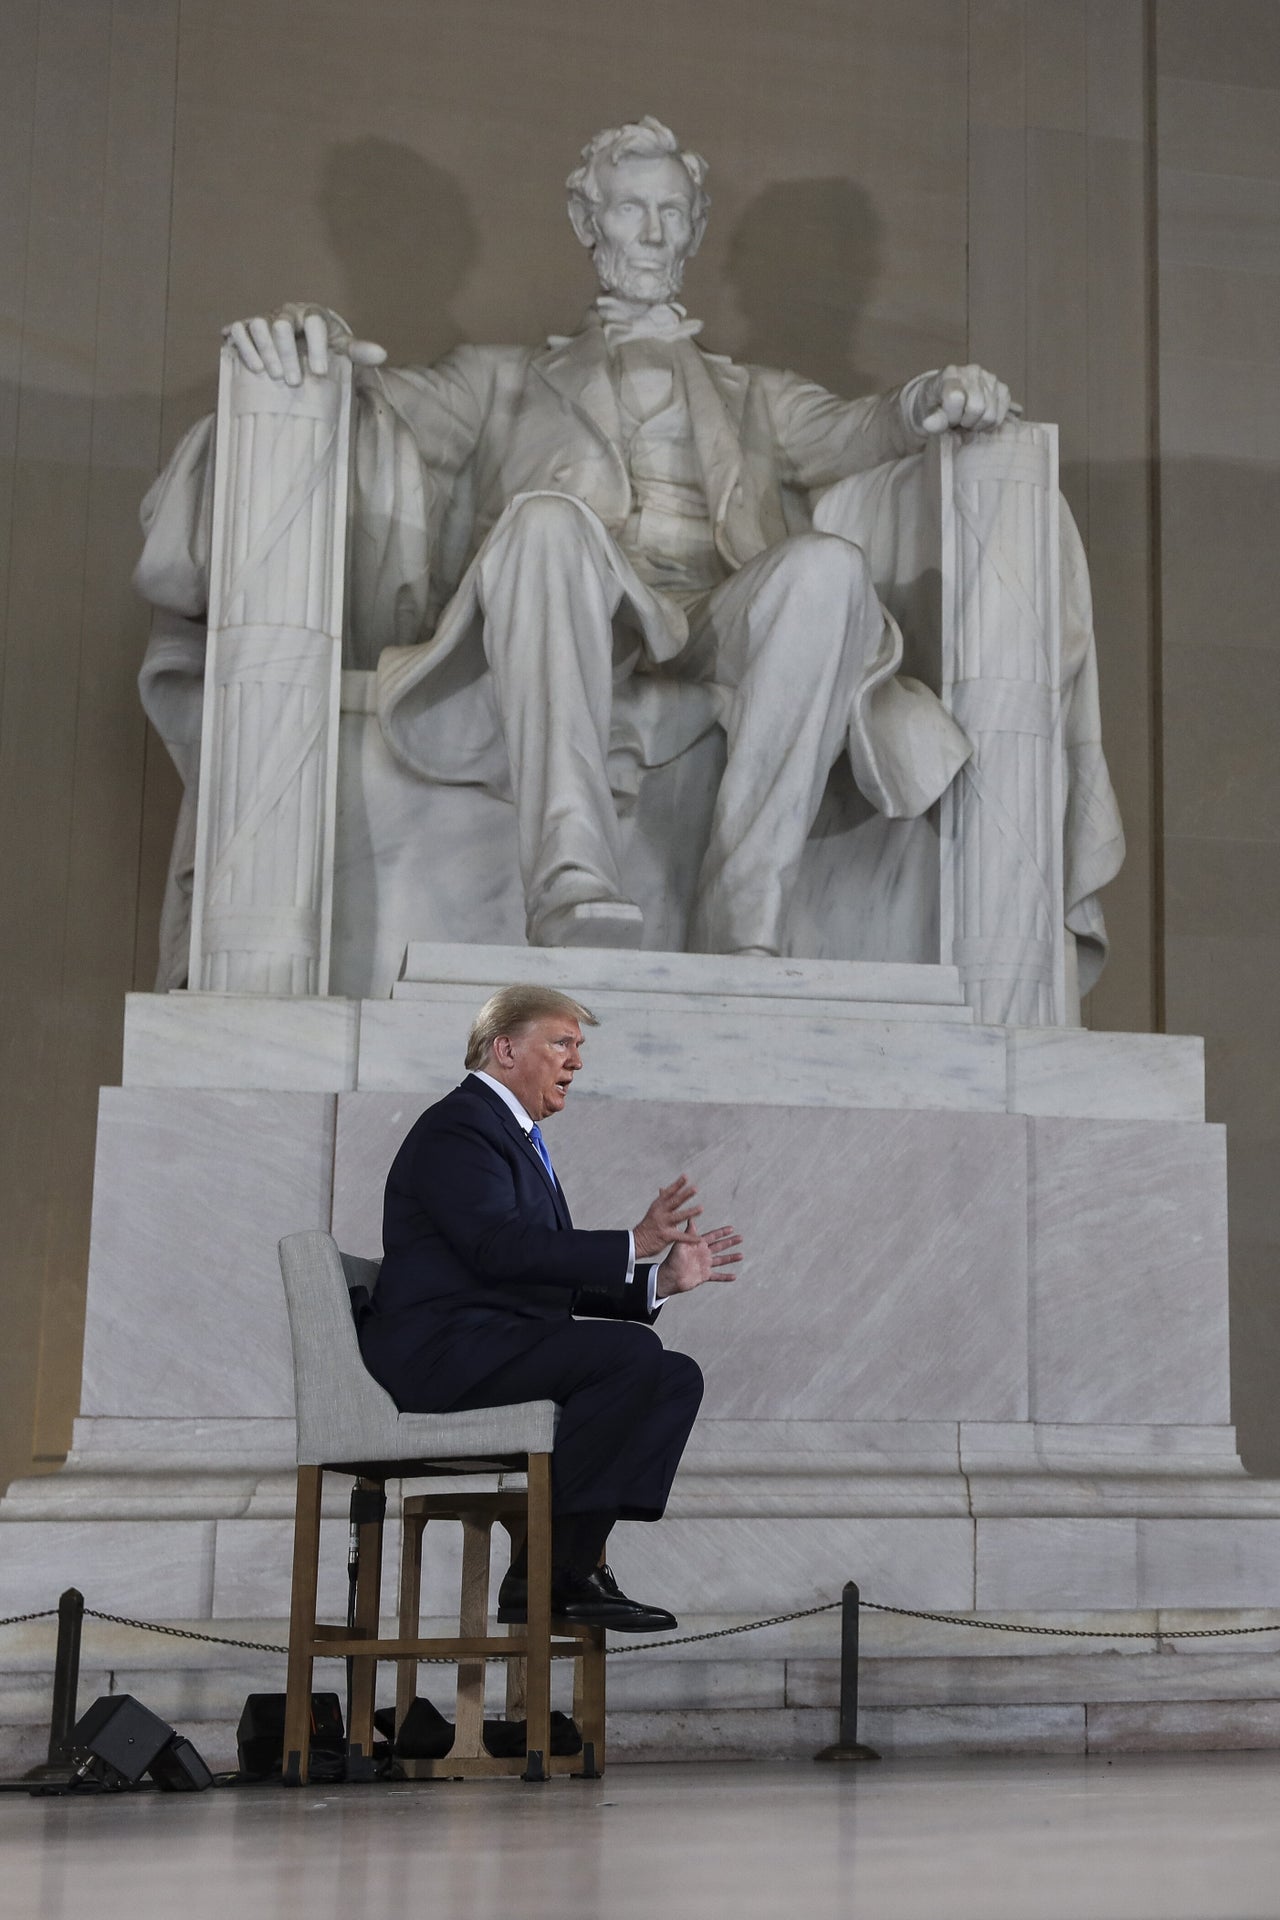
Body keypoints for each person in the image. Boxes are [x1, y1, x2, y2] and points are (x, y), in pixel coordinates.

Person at [358, 982, 741, 1631]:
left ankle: (568, 1565)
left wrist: (658, 1282)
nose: (577, 1061)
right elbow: (497, 1250)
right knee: (630, 1358)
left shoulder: (511, 1132)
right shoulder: (461, 1126)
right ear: (505, 1048)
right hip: (441, 1352)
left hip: (491, 1340)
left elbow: (537, 1267)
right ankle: (547, 1573)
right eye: (562, 1042)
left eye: (579, 1046)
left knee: (675, 1378)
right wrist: (633, 1241)